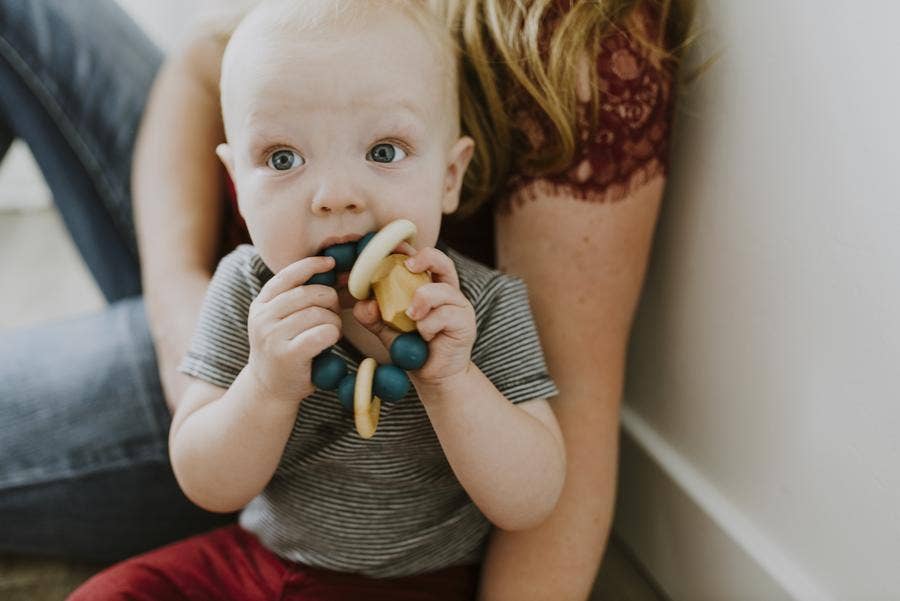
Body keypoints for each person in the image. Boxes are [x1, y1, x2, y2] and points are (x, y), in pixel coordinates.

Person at [0, 0, 694, 598]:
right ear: (237, 183)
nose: (335, 194)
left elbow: (536, 493)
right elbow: (209, 481)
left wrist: (454, 382)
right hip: (266, 558)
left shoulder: (475, 307)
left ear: (450, 176)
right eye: (282, 159)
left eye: (385, 151)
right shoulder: (247, 291)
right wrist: (264, 388)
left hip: (421, 582)